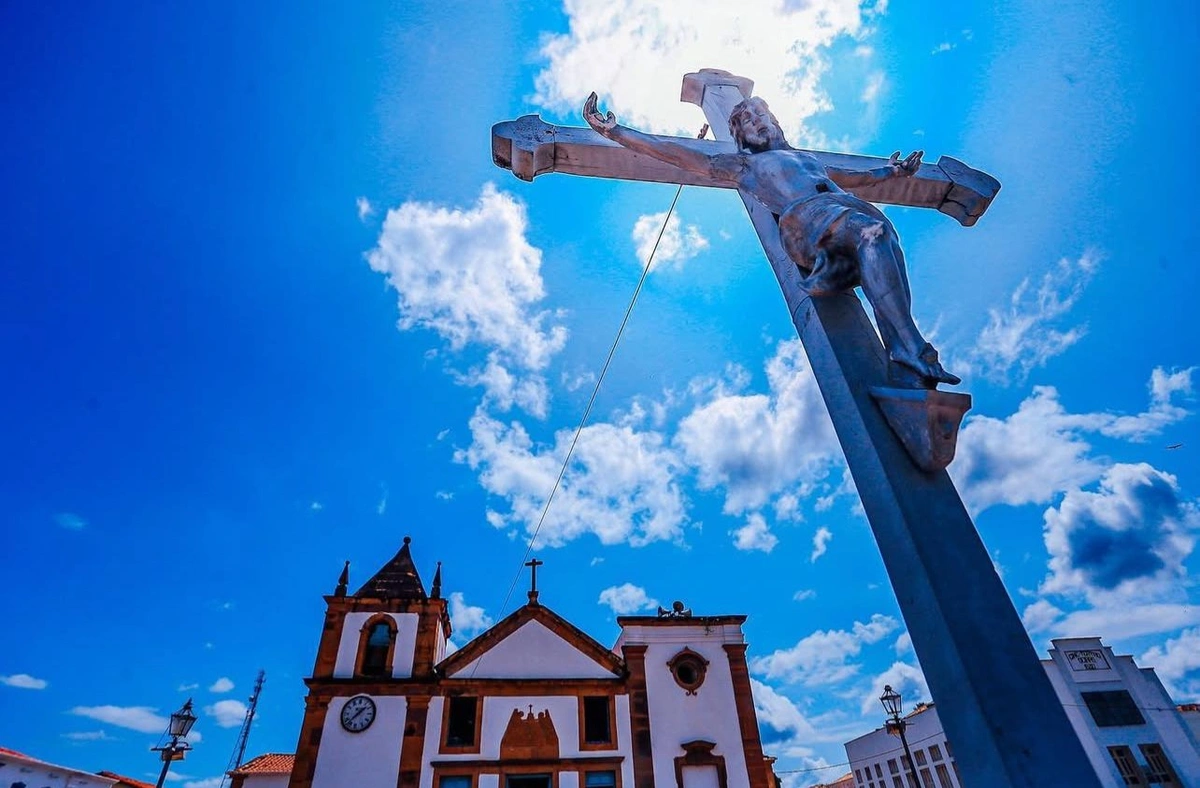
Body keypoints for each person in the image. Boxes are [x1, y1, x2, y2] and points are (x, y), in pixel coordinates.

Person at [583, 92, 959, 387]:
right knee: (868, 231)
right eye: (747, 120)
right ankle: (912, 349)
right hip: (806, 221)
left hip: (845, 212)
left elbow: (854, 177)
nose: (757, 121)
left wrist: (892, 171)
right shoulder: (744, 164)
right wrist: (617, 133)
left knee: (880, 236)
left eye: (761, 114)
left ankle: (905, 350)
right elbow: (678, 154)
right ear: (740, 135)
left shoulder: (808, 159)